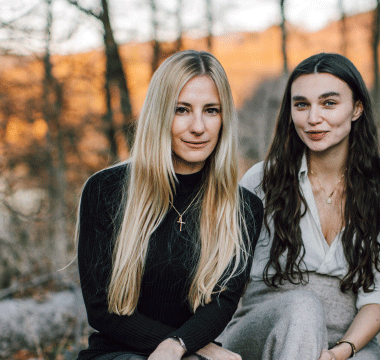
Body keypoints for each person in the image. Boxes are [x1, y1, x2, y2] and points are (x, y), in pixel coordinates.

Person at [76, 50, 263, 360]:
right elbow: (101, 309)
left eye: (211, 110)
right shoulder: (105, 190)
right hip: (117, 354)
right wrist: (184, 345)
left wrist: (179, 346)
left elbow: (222, 304)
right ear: (160, 113)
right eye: (182, 109)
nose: (199, 126)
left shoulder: (243, 209)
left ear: (224, 118)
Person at [218, 53, 380, 360]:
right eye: (301, 104)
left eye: (329, 103)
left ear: (356, 109)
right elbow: (219, 276)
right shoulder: (262, 181)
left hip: (349, 339)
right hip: (264, 330)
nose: (313, 118)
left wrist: (340, 352)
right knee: (304, 307)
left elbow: (379, 297)